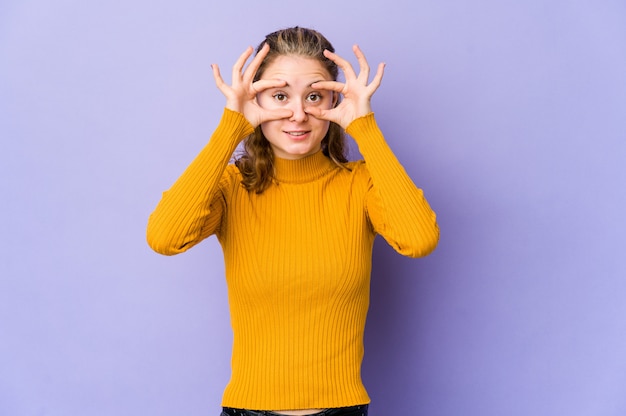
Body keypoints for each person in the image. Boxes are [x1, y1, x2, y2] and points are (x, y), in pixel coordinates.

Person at [147, 26, 439, 416]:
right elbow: (165, 237)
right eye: (280, 96)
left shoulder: (362, 184)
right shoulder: (233, 187)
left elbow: (419, 239)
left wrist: (364, 127)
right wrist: (231, 125)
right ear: (256, 98)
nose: (298, 113)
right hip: (247, 410)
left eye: (314, 96)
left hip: (342, 409)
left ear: (335, 100)